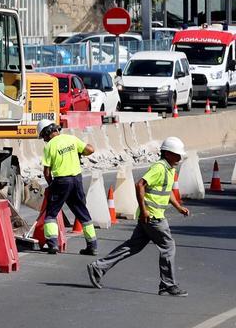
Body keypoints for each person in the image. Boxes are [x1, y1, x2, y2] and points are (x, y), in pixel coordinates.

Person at [87, 137, 190, 296]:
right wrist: (144, 210)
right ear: (168, 154)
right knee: (168, 246)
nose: (179, 158)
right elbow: (140, 184)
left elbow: (166, 189)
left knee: (133, 246)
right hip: (153, 217)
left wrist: (178, 207)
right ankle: (168, 285)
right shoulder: (159, 168)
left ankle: (98, 267)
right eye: (177, 154)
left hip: (150, 216)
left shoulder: (169, 169)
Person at [37, 119, 99, 255]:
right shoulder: (71, 139)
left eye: (44, 137)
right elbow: (90, 149)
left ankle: (52, 244)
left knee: (51, 214)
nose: (45, 140)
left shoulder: (49, 146)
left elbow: (46, 171)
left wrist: (51, 185)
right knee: (82, 212)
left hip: (61, 181)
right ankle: (92, 246)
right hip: (76, 179)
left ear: (46, 134)